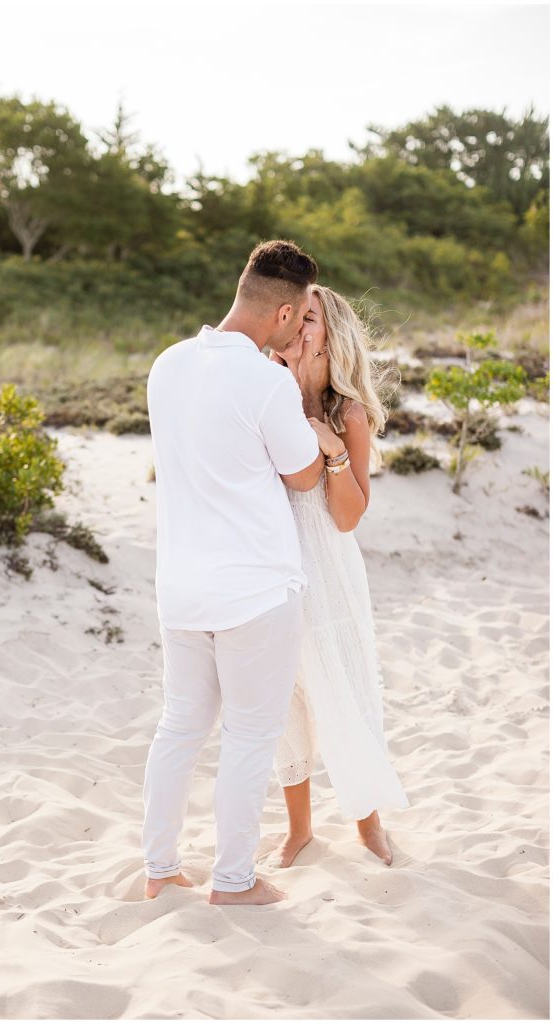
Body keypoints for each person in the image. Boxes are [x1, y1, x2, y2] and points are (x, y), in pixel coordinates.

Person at [142, 240, 325, 906]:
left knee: (180, 727)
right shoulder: (266, 381)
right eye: (302, 315)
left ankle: (160, 870)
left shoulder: (167, 365)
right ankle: (233, 881)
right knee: (251, 734)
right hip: (254, 590)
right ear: (282, 313)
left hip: (181, 588)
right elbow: (304, 475)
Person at [268, 284, 410, 870]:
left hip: (330, 565)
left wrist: (332, 449)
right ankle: (299, 829)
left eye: (312, 318)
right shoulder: (265, 393)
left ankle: (368, 822)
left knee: (348, 688)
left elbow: (349, 516)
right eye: (296, 315)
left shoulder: (348, 412)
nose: (302, 327)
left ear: (332, 332)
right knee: (284, 695)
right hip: (273, 562)